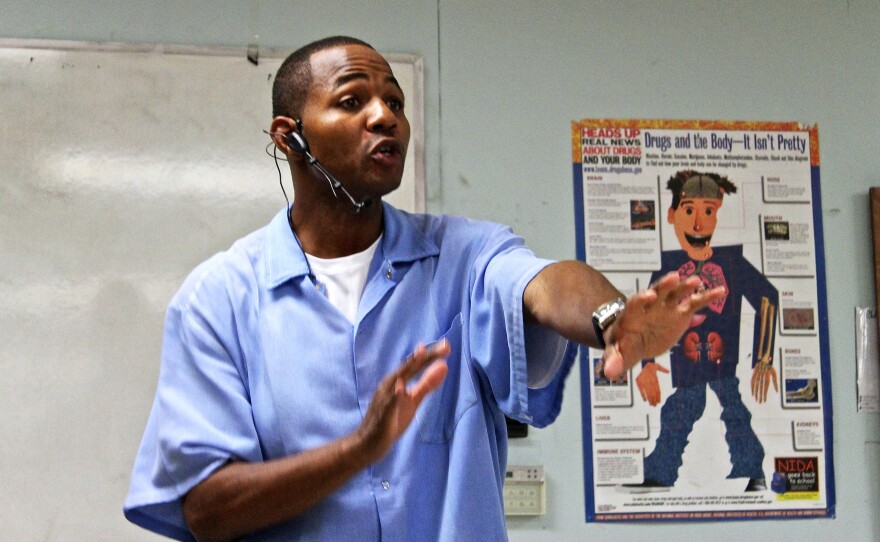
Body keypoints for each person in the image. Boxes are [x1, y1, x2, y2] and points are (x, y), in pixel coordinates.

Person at [124, 36, 724, 541]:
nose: (384, 116)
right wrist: (357, 450)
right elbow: (206, 509)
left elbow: (545, 283)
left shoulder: (463, 257)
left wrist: (612, 317)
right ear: (289, 136)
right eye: (352, 100)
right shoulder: (220, 299)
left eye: (394, 100)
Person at [630, 170, 779, 493]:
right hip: (686, 358)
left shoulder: (732, 262)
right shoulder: (667, 268)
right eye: (688, 211)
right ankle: (663, 470)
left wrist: (763, 357)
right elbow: (649, 316)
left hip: (721, 355)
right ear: (672, 216)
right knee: (682, 409)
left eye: (708, 211)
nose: (698, 223)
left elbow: (767, 297)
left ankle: (750, 466)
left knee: (732, 409)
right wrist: (647, 362)